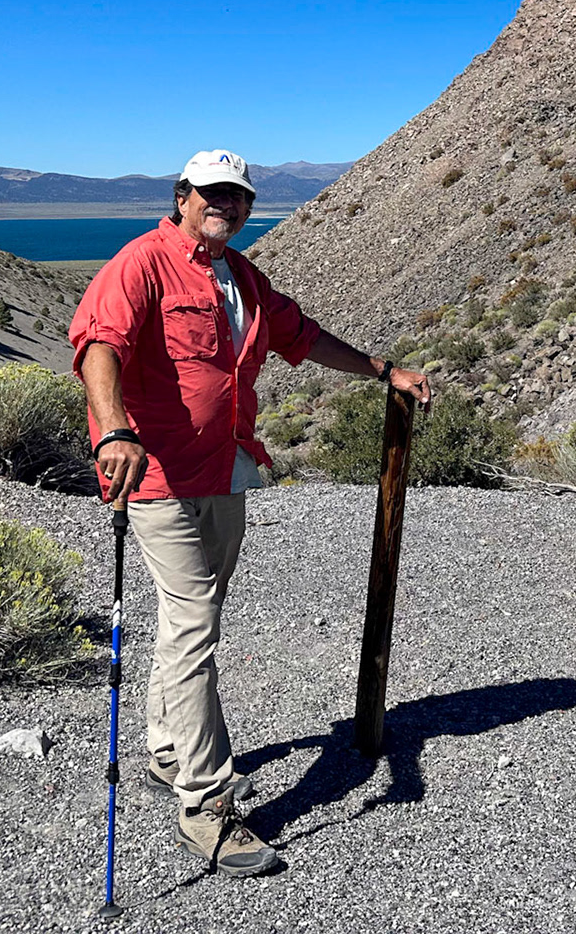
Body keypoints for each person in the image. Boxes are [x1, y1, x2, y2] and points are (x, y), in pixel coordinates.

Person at [70, 149, 431, 877]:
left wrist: (382, 371)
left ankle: (168, 751)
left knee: (188, 622)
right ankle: (205, 807)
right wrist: (113, 429)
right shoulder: (141, 263)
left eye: (237, 197)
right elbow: (97, 345)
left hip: (225, 470)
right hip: (158, 477)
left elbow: (303, 336)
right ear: (182, 195)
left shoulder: (244, 278)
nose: (226, 206)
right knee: (196, 622)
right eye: (213, 194)